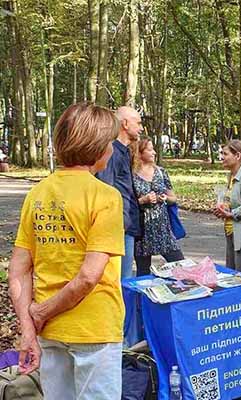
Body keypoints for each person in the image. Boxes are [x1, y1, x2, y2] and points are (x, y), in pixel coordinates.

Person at [8, 102, 125, 398]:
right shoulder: (106, 197)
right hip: (95, 328)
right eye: (109, 143)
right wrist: (40, 313)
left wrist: (30, 325)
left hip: (50, 330)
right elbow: (89, 277)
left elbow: (19, 269)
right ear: (98, 148)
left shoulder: (37, 193)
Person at [96, 106, 143, 279]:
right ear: (124, 124)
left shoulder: (123, 152)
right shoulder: (112, 153)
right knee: (121, 284)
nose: (141, 127)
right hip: (118, 229)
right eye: (138, 123)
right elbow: (105, 191)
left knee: (125, 281)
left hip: (126, 228)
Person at [132, 138, 184, 276]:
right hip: (142, 232)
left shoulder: (161, 172)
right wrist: (143, 200)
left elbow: (173, 198)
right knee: (143, 273)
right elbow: (127, 202)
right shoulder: (131, 175)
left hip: (163, 230)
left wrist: (165, 198)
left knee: (180, 265)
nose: (154, 152)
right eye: (149, 149)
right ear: (139, 153)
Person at [213, 140, 241, 272]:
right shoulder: (231, 175)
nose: (221, 157)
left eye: (225, 154)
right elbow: (234, 201)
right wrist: (224, 208)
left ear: (238, 156)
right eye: (221, 153)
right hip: (230, 231)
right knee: (231, 272)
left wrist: (231, 213)